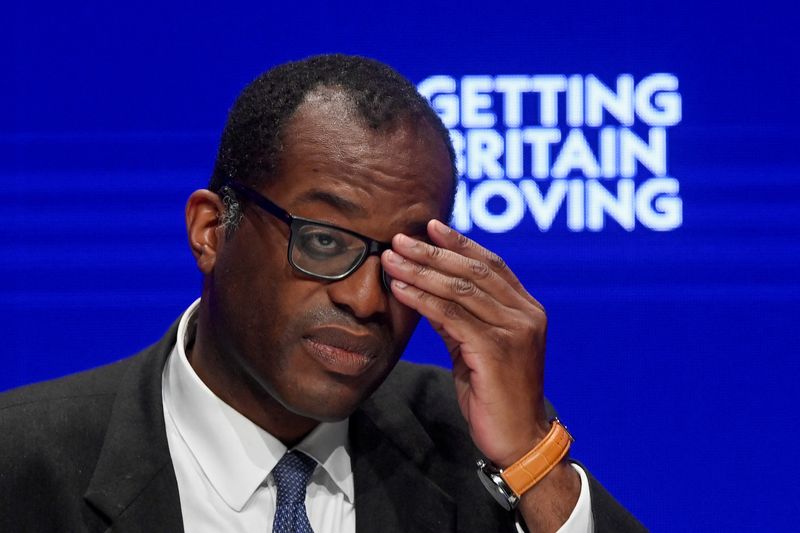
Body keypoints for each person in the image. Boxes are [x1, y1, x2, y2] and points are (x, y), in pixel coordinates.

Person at [0, 54, 645, 532]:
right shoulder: (22, 463)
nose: (367, 301)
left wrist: (533, 453)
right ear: (210, 231)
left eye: (402, 260)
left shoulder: (476, 458)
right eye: (325, 242)